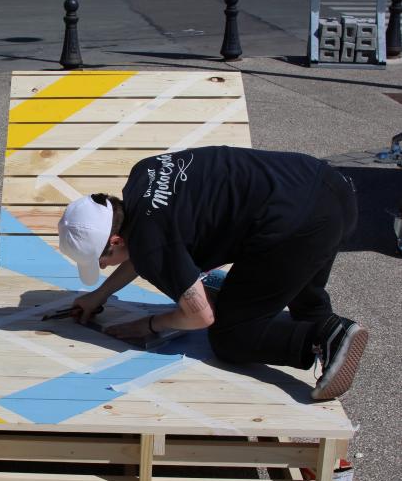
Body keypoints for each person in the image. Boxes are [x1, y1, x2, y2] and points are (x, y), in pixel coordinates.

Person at [58, 145, 367, 400]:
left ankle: (326, 337)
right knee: (299, 295)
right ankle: (321, 325)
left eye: (100, 260)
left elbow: (199, 316)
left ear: (115, 240)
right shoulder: (142, 174)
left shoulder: (150, 242)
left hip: (297, 228)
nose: (101, 267)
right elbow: (145, 246)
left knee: (231, 336)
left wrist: (150, 324)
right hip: (327, 188)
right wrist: (99, 295)